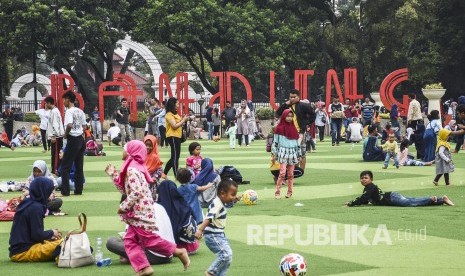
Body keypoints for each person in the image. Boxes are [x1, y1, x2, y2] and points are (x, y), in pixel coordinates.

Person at [105, 140, 190, 276]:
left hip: (140, 212)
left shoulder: (132, 170)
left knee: (149, 240)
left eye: (125, 148)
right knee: (130, 240)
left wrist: (123, 207)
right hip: (140, 211)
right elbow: (125, 190)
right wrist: (114, 175)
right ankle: (144, 267)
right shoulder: (135, 167)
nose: (123, 151)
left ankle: (178, 251)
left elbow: (136, 192)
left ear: (131, 152)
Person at [9, 177, 63, 262]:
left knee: (56, 241)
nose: (50, 194)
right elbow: (37, 235)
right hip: (24, 251)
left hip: (19, 248)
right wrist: (52, 232)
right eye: (49, 191)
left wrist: (50, 235)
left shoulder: (28, 202)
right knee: (63, 243)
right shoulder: (36, 208)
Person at [106, 202, 174, 265]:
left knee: (111, 242)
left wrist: (126, 253)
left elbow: (133, 239)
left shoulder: (135, 208)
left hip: (155, 255)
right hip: (170, 254)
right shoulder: (160, 207)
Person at [195, 179, 238, 276]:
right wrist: (200, 230)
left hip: (219, 235)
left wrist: (234, 199)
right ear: (222, 193)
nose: (233, 197)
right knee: (225, 255)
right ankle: (211, 272)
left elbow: (228, 203)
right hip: (213, 235)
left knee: (228, 255)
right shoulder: (217, 204)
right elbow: (209, 218)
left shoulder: (220, 201)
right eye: (232, 194)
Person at [345, 170, 454, 207]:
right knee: (412, 201)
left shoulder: (370, 187)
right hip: (392, 196)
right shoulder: (368, 188)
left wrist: (351, 203)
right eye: (362, 178)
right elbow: (366, 199)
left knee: (410, 203)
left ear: (371, 179)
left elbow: (364, 198)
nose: (363, 180)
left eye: (366, 178)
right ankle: (441, 199)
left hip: (391, 198)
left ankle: (431, 199)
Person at [276, 89, 316, 170]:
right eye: (290, 97)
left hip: (300, 132)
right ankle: (294, 170)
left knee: (302, 152)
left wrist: (307, 123)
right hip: (288, 133)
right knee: (290, 153)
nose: (292, 99)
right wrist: (285, 104)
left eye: (294, 97)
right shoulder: (286, 106)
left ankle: (301, 170)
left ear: (298, 97)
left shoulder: (304, 105)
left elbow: (313, 115)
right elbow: (278, 113)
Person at [60, 91, 87, 196]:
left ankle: (65, 191)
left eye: (64, 100)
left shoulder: (69, 112)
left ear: (67, 99)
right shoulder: (80, 111)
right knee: (79, 166)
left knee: (65, 167)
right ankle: (78, 190)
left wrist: (65, 135)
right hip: (81, 139)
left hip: (73, 139)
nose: (63, 102)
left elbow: (70, 125)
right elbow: (85, 127)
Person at [271, 109, 301, 199]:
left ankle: (289, 192)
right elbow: (275, 142)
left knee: (291, 174)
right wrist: (274, 153)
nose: (290, 118)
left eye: (291, 116)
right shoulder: (279, 128)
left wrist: (298, 154)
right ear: (284, 116)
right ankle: (277, 192)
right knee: (282, 172)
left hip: (292, 153)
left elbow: (297, 143)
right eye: (288, 116)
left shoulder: (294, 129)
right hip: (283, 152)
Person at [164, 97, 188, 177]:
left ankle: (164, 174)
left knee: (175, 157)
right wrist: (183, 120)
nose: (178, 105)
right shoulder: (169, 114)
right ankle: (176, 174)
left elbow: (179, 124)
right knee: (175, 157)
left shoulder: (175, 114)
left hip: (177, 136)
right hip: (172, 136)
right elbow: (174, 126)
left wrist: (184, 121)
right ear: (173, 105)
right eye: (177, 103)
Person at [45, 97, 64, 175]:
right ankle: (56, 169)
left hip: (56, 137)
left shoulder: (54, 112)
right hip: (57, 136)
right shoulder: (54, 111)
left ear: (49, 103)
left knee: (56, 154)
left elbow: (55, 124)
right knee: (55, 154)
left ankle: (56, 170)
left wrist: (54, 135)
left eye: (46, 103)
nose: (45, 105)